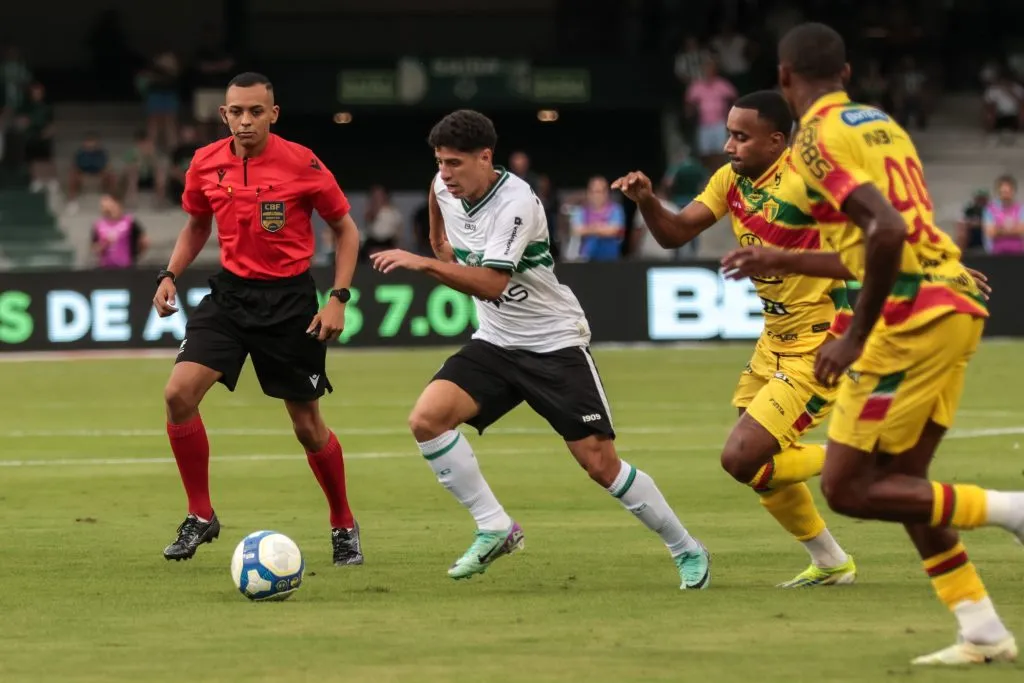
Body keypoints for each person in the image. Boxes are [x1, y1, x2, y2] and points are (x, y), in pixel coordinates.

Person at [743, 22, 1024, 665]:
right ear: (844, 74)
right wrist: (779, 255)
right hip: (953, 300)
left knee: (848, 488)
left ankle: (1012, 510)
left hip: (908, 319)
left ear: (786, 79)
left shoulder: (814, 139)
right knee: (905, 483)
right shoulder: (882, 124)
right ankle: (980, 628)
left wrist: (855, 336)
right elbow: (873, 237)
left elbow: (887, 229)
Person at [368, 109, 710, 587]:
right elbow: (439, 228)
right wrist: (439, 248)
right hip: (495, 342)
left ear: (486, 157)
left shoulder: (516, 203)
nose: (445, 174)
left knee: (600, 464)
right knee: (426, 420)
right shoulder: (442, 185)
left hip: (553, 343)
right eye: (440, 162)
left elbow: (490, 283)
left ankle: (687, 549)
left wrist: (424, 264)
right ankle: (495, 526)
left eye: (455, 164)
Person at [612, 90, 856, 588]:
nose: (728, 146)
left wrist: (944, 272)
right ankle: (831, 562)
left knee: (742, 457)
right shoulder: (732, 180)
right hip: (775, 340)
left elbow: (869, 252)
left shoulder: (809, 184)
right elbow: (676, 233)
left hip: (821, 341)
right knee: (756, 464)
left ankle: (865, 459)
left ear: (776, 141)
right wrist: (646, 201)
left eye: (741, 137)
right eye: (728, 134)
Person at [152, 72, 365, 566]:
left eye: (254, 111)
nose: (244, 120)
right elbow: (196, 224)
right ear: (223, 114)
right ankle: (200, 515)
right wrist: (169, 275)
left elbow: (346, 231)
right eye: (235, 112)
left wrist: (338, 298)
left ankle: (342, 523)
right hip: (230, 296)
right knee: (177, 394)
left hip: (290, 302)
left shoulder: (303, 163)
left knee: (307, 424)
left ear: (273, 114)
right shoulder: (205, 162)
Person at [91, 193, 149, 268]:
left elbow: (144, 241)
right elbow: (94, 248)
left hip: (126, 267)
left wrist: (136, 255)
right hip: (105, 268)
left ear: (117, 204)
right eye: (102, 206)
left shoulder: (129, 222)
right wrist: (105, 244)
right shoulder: (99, 225)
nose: (105, 208)